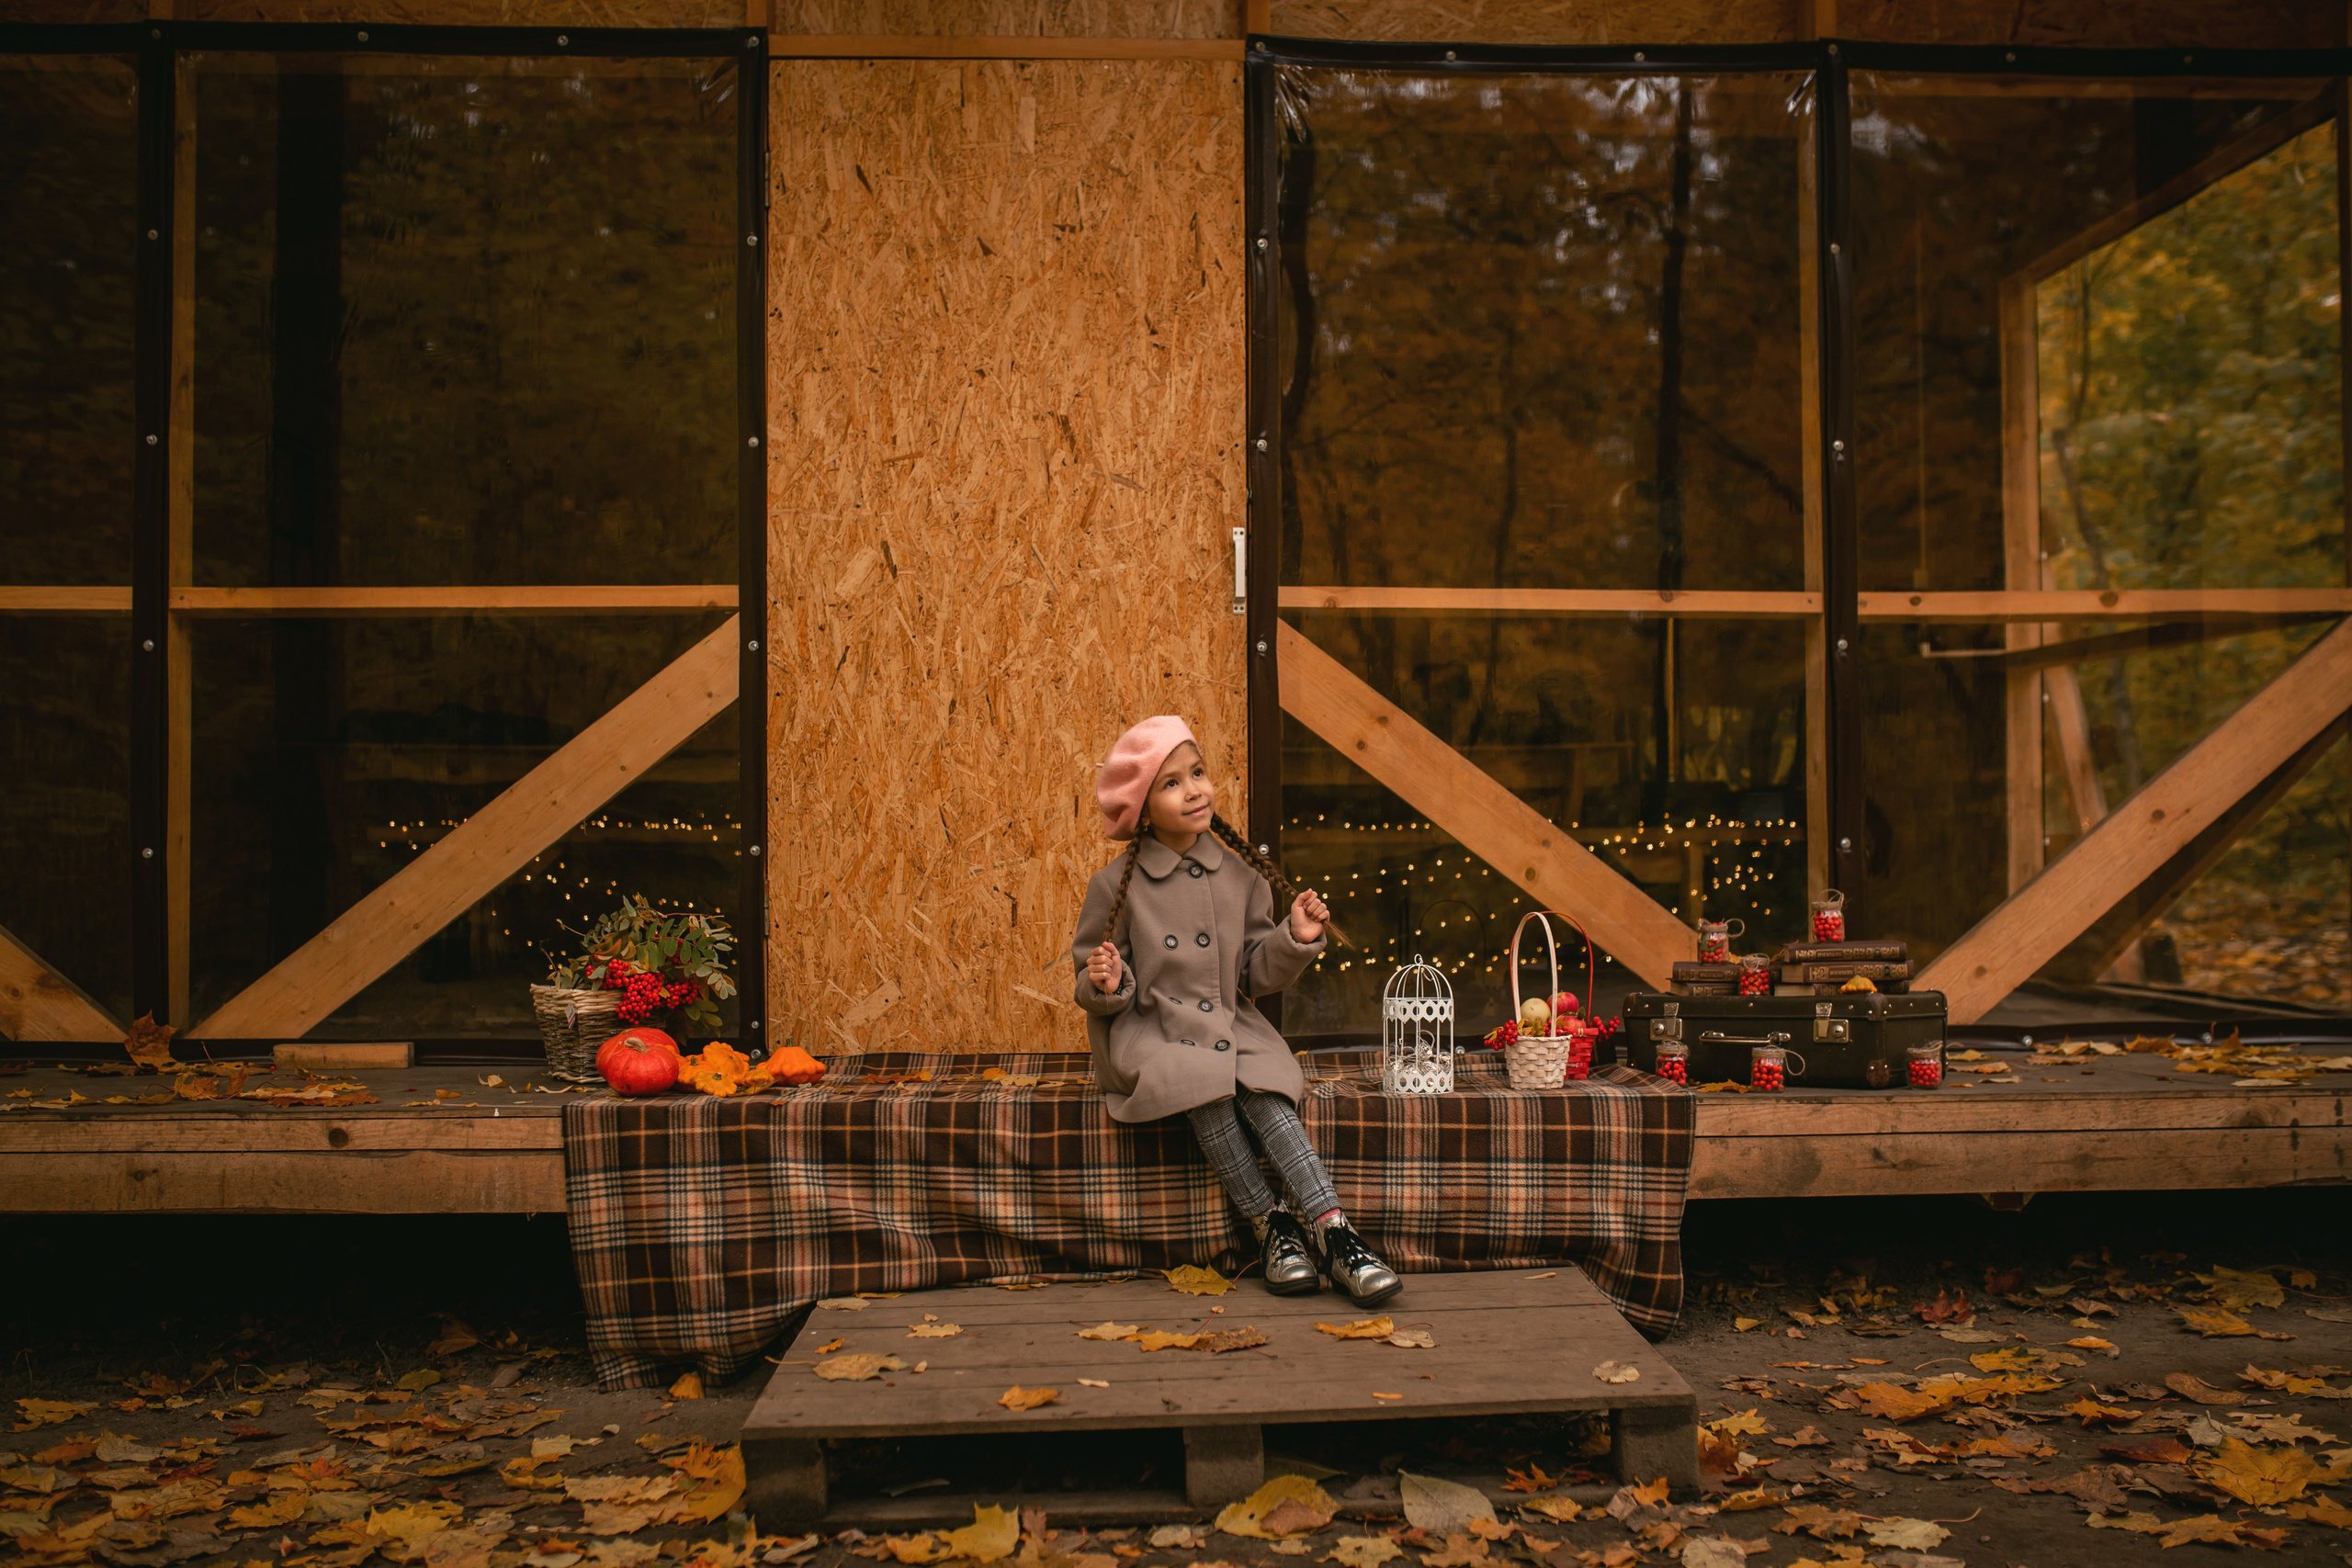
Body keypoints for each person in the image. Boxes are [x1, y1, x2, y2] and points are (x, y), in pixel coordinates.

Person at [1069, 715, 1401, 1307]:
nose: (1194, 790)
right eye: (1171, 783)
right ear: (1142, 808)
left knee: (1265, 1092)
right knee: (1201, 1084)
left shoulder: (1241, 876)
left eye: (1197, 772)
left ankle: (1335, 1232)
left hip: (1229, 1021)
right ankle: (1270, 1225)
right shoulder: (1115, 884)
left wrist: (1293, 938)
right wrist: (1109, 981)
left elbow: (1252, 972)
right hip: (1155, 1031)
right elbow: (1091, 978)